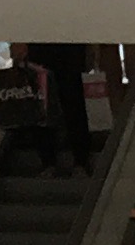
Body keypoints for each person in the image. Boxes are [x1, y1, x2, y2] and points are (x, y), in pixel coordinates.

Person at [19, 42, 96, 180]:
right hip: (51, 43)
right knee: (46, 99)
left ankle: (77, 159)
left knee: (68, 98)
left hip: (63, 43)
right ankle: (66, 160)